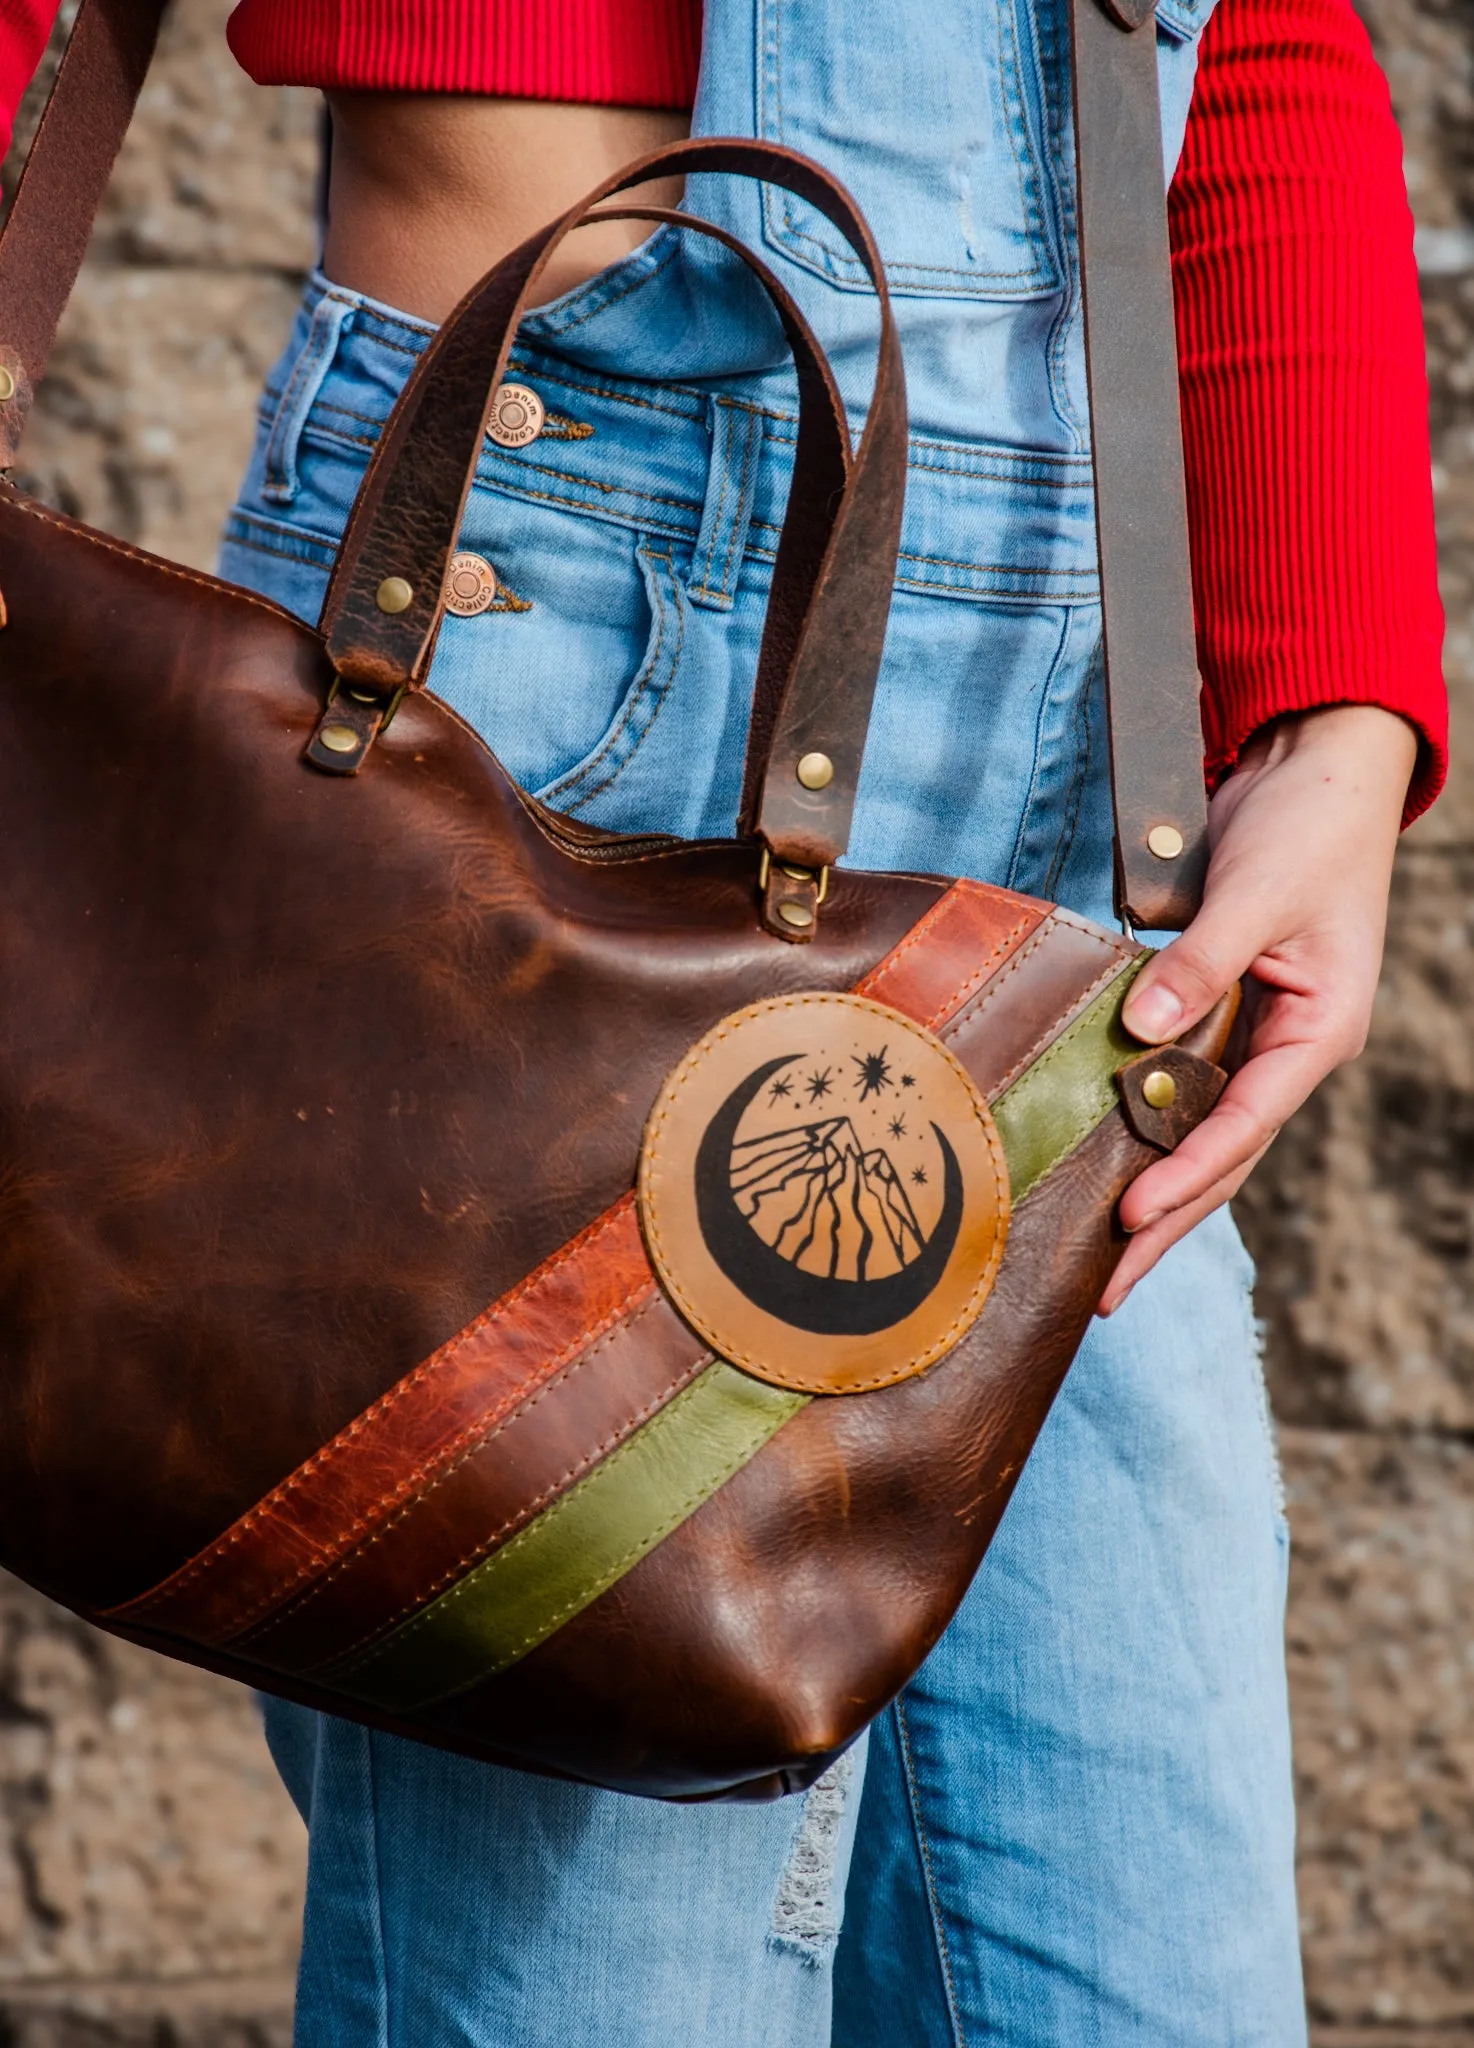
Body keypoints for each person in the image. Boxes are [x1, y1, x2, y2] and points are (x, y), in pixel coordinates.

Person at [0, 0, 1446, 2039]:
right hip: (562, 601)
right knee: (602, 1988)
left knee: (1146, 1977)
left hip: (1076, 795)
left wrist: (1334, 704)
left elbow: (1270, 32)